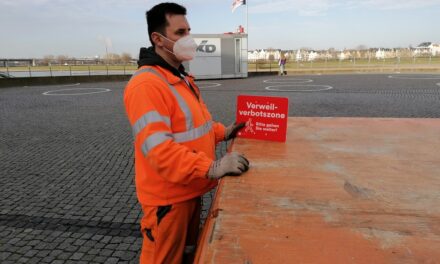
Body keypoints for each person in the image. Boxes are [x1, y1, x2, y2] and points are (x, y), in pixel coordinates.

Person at [123, 3, 250, 263]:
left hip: (188, 191)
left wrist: (223, 132)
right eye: (180, 32)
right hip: (168, 201)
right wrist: (212, 167)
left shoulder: (180, 78)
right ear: (157, 39)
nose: (188, 38)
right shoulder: (146, 85)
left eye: (189, 30)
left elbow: (195, 126)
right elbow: (160, 151)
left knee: (188, 256)